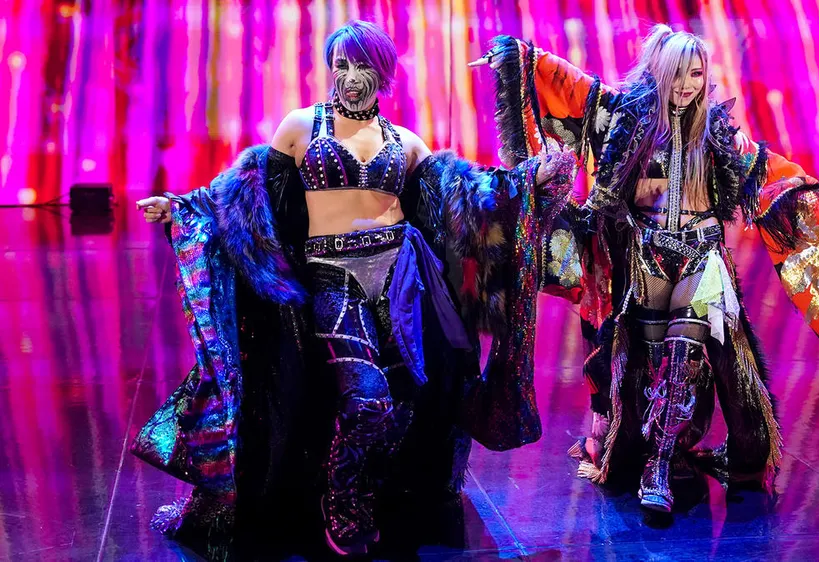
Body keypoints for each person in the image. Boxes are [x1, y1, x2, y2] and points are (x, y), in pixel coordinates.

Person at [134, 20, 575, 558]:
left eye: (360, 64)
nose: (348, 75)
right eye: (339, 64)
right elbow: (244, 191)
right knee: (366, 399)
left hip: (400, 280)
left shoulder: (406, 143)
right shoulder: (301, 127)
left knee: (409, 400)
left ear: (382, 71)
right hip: (333, 279)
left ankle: (373, 491)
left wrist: (528, 182)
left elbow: (470, 194)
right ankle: (342, 499)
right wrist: (182, 206)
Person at [472, 25, 819, 514]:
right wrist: (516, 56)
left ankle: (659, 466)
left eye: (696, 74)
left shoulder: (718, 131)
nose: (688, 85)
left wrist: (815, 200)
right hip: (644, 257)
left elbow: (770, 174)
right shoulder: (625, 116)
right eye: (679, 74)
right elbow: (569, 86)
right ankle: (648, 451)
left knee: (682, 356)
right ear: (659, 72)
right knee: (646, 363)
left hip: (702, 256)